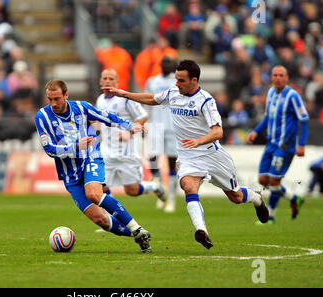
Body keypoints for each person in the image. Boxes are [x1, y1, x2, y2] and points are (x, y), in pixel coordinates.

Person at [102, 59, 269, 250]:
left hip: (211, 155)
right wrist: (125, 94)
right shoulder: (173, 93)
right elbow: (152, 99)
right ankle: (201, 231)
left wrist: (198, 140)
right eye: (176, 79)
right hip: (188, 156)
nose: (176, 84)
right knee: (189, 186)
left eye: (181, 80)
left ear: (194, 80)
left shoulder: (206, 100)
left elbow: (218, 132)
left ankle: (256, 198)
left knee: (236, 196)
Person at [35, 79, 152, 253]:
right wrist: (75, 147)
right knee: (100, 220)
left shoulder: (82, 108)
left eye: (57, 99)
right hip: (70, 175)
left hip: (91, 158)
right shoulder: (42, 117)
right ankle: (138, 234)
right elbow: (49, 149)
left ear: (66, 95)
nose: (53, 103)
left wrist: (129, 125)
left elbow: (108, 117)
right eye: (50, 99)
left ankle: (136, 228)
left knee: (94, 194)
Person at [247, 65, 309, 223]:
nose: (278, 78)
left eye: (281, 75)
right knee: (263, 179)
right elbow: (268, 117)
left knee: (274, 181)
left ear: (287, 78)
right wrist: (256, 131)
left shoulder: (293, 96)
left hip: (285, 146)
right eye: (275, 75)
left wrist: (301, 145)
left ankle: (271, 217)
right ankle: (294, 198)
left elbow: (304, 119)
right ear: (271, 77)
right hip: (271, 143)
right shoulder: (270, 92)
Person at [96, 68, 166, 203]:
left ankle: (154, 186)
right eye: (105, 78)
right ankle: (112, 220)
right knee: (101, 188)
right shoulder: (100, 100)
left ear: (117, 82)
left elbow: (143, 116)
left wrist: (129, 132)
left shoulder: (125, 99)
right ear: (100, 81)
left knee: (131, 191)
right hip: (106, 151)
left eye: (111, 79)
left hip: (127, 150)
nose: (108, 81)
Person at [144, 56, 178, 213]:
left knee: (172, 163)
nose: (166, 65)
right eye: (164, 63)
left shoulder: (177, 82)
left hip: (173, 126)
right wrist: (144, 123)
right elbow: (146, 102)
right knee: (152, 160)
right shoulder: (152, 81)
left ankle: (171, 198)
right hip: (155, 125)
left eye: (169, 63)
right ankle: (161, 190)